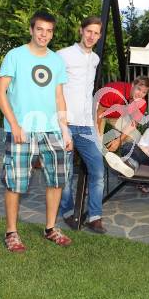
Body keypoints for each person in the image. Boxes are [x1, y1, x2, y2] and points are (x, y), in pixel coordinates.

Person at [0, 11, 73, 253]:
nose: (44, 35)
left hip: (52, 130)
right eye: (40, 29)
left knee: (57, 180)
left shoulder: (56, 61)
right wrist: (15, 125)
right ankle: (11, 232)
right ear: (31, 30)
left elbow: (59, 97)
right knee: (15, 182)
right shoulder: (15, 56)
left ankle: (50, 228)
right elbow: (0, 92)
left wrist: (65, 129)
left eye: (49, 31)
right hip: (22, 130)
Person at [58, 16, 106, 233]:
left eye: (96, 33)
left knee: (98, 169)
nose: (92, 36)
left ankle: (95, 215)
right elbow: (54, 91)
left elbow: (88, 94)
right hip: (66, 124)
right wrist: (60, 123)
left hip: (86, 127)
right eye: (89, 31)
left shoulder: (95, 59)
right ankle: (67, 211)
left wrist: (95, 126)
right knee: (66, 173)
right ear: (81, 30)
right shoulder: (63, 55)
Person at [96, 76, 149, 152]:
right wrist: (98, 137)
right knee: (96, 143)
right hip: (99, 113)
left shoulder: (141, 103)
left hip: (115, 116)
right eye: (138, 89)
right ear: (132, 85)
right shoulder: (115, 91)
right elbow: (99, 112)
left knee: (135, 138)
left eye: (144, 92)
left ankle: (122, 154)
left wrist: (119, 140)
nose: (140, 94)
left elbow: (133, 124)